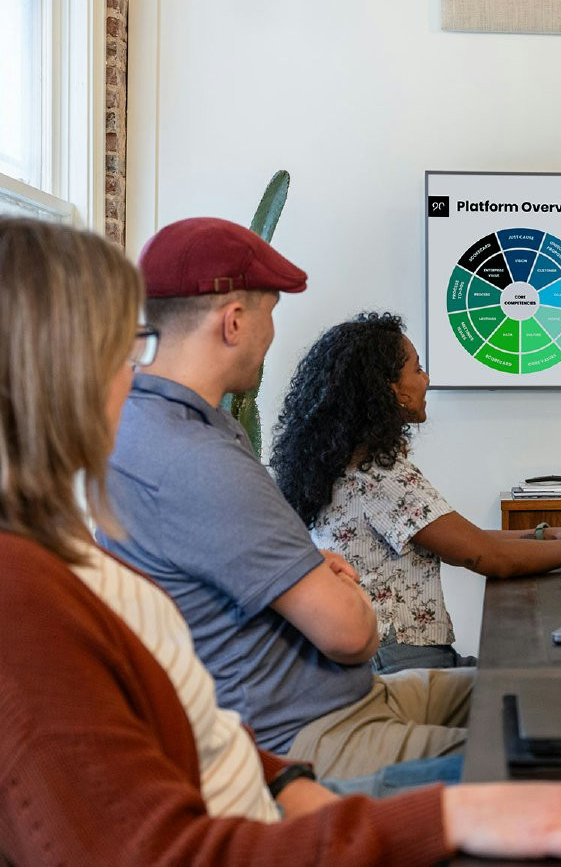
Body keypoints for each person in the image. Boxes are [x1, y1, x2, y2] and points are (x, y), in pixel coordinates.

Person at [0, 217, 561, 867]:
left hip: (304, 739)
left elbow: (200, 724)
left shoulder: (90, 528)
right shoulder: (140, 495)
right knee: (558, 762)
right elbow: (160, 842)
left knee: (542, 705)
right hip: (319, 731)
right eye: (123, 349)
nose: (139, 373)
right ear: (51, 376)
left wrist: (286, 781)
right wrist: (445, 814)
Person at [102, 217, 467, 779]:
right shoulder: (198, 458)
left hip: (353, 699)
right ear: (234, 321)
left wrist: (311, 572)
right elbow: (349, 635)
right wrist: (335, 585)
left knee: (528, 692)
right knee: (539, 758)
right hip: (314, 733)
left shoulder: (157, 422)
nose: (271, 336)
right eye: (270, 314)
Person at [269, 312, 561, 673]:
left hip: (387, 660)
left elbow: (461, 541)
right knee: (535, 681)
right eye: (417, 370)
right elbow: (487, 557)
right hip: (400, 665)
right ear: (391, 389)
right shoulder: (381, 478)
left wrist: (551, 535)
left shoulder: (343, 468)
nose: (427, 379)